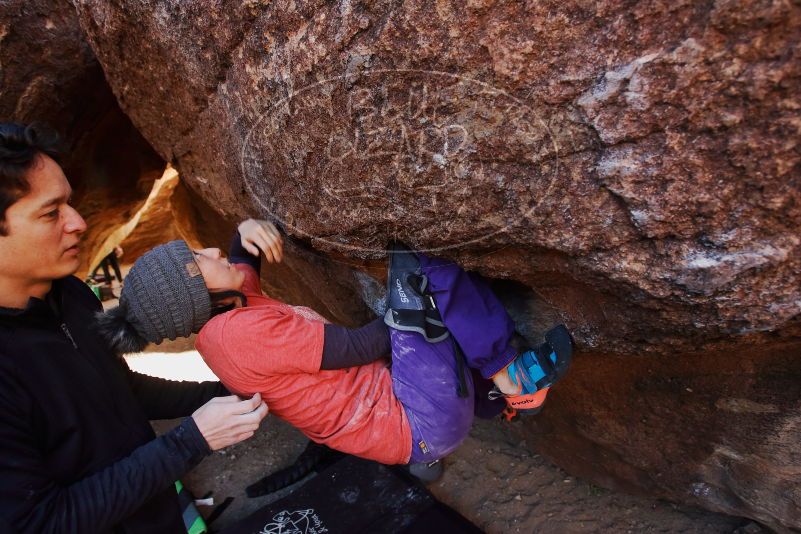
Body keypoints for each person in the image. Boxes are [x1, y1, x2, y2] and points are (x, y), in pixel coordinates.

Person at [98, 217, 574, 467]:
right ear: (195, 296)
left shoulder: (224, 313)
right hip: (418, 422)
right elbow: (360, 347)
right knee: (419, 277)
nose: (212, 252)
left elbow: (244, 262)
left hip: (413, 421)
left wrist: (246, 230)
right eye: (198, 261)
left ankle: (493, 400)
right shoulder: (238, 337)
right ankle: (513, 378)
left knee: (418, 319)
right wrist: (402, 300)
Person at [0, 123, 269, 533]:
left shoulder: (70, 295)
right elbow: (38, 522)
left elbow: (121, 390)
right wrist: (189, 442)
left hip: (157, 513)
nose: (78, 223)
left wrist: (236, 388)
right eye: (51, 213)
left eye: (69, 203)